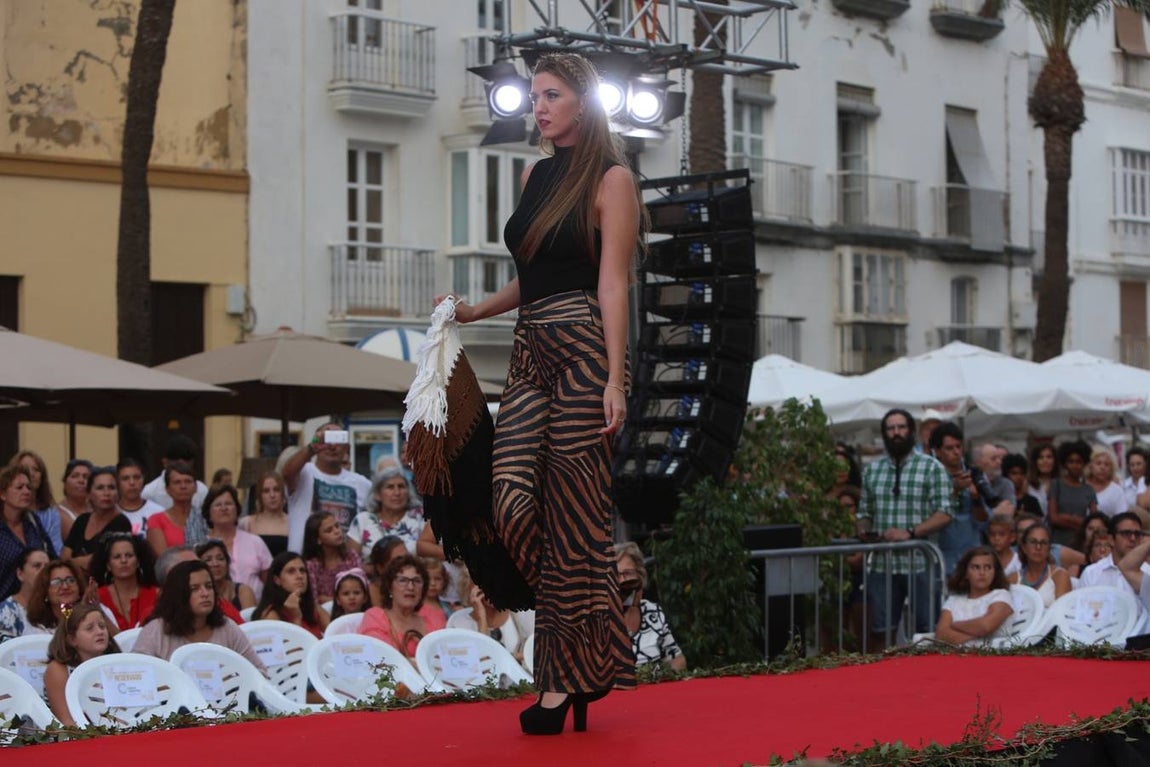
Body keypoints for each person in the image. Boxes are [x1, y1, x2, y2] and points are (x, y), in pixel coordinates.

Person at [431, 52, 640, 735]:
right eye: (535, 96)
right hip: (529, 350)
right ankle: (596, 632)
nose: (538, 106)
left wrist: (617, 376)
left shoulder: (612, 180)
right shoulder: (534, 174)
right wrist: (474, 312)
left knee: (577, 518)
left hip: (583, 347)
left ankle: (560, 682)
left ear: (584, 102)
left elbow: (612, 284)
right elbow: (532, 275)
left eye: (551, 95)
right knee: (511, 498)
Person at [857, 409, 953, 649]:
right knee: (881, 632)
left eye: (901, 427)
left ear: (911, 431)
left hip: (920, 561)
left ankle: (928, 681)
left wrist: (910, 533)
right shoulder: (872, 470)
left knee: (927, 632)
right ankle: (884, 681)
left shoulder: (932, 467)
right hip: (882, 564)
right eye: (890, 429)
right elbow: (864, 513)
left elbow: (944, 513)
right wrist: (864, 530)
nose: (896, 433)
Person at [133, 560, 265, 670]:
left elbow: (260, 672)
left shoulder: (227, 627)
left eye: (208, 586)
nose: (205, 593)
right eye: (194, 589)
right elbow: (138, 678)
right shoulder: (156, 631)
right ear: (178, 595)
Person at [282, 423, 373, 553]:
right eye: (325, 439)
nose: (331, 446)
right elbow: (286, 473)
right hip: (304, 562)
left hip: (346, 564)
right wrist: (312, 447)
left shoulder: (363, 484)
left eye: (337, 439)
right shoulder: (303, 473)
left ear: (346, 447)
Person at [43, 603, 121, 727]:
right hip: (74, 737)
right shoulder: (58, 670)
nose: (99, 632)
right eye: (90, 628)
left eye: (102, 626)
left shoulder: (115, 664)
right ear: (72, 639)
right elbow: (67, 721)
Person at [615, 541, 685, 670]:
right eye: (616, 575)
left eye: (628, 573)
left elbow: (677, 659)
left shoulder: (652, 611)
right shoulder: (595, 618)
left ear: (639, 575)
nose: (622, 581)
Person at [359, 554, 445, 659]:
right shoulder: (375, 616)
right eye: (403, 580)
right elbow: (381, 658)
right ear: (390, 587)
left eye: (417, 581)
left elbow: (444, 658)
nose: (410, 587)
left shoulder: (434, 617)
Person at [929, 423, 986, 576]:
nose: (956, 452)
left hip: (971, 550)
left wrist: (976, 498)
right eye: (949, 448)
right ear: (937, 451)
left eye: (958, 446)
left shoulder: (974, 474)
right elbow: (929, 514)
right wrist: (954, 490)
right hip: (942, 553)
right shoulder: (930, 477)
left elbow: (983, 520)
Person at [201, 484, 271, 601]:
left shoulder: (255, 542)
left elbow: (269, 582)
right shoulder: (201, 546)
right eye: (218, 505)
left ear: (237, 509)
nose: (224, 508)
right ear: (209, 513)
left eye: (228, 504)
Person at [933, 546, 1013, 646]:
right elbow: (941, 635)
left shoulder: (1002, 595)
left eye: (988, 567)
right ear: (966, 573)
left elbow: (986, 626)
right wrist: (979, 632)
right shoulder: (954, 600)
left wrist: (953, 625)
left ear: (995, 572)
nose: (982, 573)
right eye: (976, 567)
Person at [452, 566, 534, 662]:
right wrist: (482, 620)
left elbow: (537, 653)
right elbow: (478, 666)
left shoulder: (523, 612)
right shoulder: (458, 625)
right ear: (469, 588)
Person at [61, 466, 131, 578]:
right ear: (88, 494)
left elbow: (99, 562)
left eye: (111, 488)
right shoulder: (82, 520)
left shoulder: (121, 522)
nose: (106, 493)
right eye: (100, 488)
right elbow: (64, 557)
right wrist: (78, 562)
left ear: (118, 494)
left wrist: (73, 562)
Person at [141, 435, 210, 546]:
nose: (183, 486)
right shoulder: (149, 491)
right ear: (165, 462)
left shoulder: (202, 490)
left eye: (186, 460)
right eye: (177, 482)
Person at [0, 465, 57, 599]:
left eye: (28, 487)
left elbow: (52, 558)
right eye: (19, 487)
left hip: (36, 604)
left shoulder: (32, 521)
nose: (26, 492)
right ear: (3, 494)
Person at [347, 467, 426, 555]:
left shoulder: (421, 517)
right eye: (390, 487)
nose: (397, 493)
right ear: (377, 494)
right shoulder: (362, 520)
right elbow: (351, 562)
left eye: (401, 486)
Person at [90, 532, 158, 630]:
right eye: (117, 557)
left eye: (129, 555)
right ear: (108, 565)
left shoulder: (157, 594)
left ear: (138, 562)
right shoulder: (97, 596)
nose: (123, 561)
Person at [1079, 512, 1150, 604]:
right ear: (1111, 540)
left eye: (1137, 534)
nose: (1133, 538)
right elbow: (1082, 611)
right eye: (1126, 533)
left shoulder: (1147, 572)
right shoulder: (1091, 573)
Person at [253, 551, 329, 638]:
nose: (300, 576)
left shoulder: (313, 607)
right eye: (291, 571)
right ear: (277, 580)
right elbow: (290, 649)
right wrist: (296, 618)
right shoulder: (271, 615)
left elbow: (334, 634)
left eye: (302, 570)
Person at [9, 450, 62, 554]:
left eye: (36, 469)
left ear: (42, 477)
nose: (30, 473)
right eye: (24, 469)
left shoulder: (51, 514)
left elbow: (56, 551)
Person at [302, 511, 361, 603]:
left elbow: (361, 592)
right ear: (318, 539)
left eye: (337, 526)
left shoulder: (351, 556)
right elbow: (315, 601)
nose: (337, 531)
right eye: (329, 530)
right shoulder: (311, 565)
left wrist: (328, 599)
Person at [1047, 440, 1097, 546]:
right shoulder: (1056, 484)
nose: (1075, 465)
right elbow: (1053, 518)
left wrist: (1066, 517)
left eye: (1079, 462)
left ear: (1084, 463)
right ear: (1065, 463)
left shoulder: (1089, 489)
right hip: (1058, 542)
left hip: (1081, 543)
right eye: (1071, 461)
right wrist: (1078, 521)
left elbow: (1094, 520)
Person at [1011, 522, 1071, 608]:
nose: (1038, 547)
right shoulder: (1012, 579)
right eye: (1033, 542)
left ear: (1049, 548)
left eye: (1043, 543)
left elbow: (1061, 613)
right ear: (1024, 548)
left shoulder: (1060, 576)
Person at [147, 462, 199, 559]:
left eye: (188, 481)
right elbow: (164, 559)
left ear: (196, 487)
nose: (183, 486)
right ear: (167, 489)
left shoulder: (205, 519)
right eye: (177, 482)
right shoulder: (157, 520)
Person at [194, 539, 250, 624]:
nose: (215, 564)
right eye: (208, 560)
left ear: (227, 563)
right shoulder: (196, 595)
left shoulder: (243, 591)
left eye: (220, 558)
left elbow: (251, 626)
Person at [0, 548, 49, 639]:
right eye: (37, 566)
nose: (44, 571)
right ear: (20, 574)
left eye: (47, 567)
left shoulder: (56, 604)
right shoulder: (6, 611)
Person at [239, 471, 290, 558]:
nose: (272, 495)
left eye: (276, 490)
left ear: (283, 494)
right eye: (266, 491)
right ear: (260, 496)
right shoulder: (246, 523)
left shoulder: (294, 523)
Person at [115, 458, 164, 537]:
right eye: (125, 478)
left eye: (137, 477)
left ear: (143, 479)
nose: (132, 483)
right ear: (117, 482)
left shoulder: (158, 512)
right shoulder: (111, 513)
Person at [54, 459, 93, 544]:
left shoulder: (98, 509)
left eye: (86, 477)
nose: (81, 481)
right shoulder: (56, 513)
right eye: (75, 476)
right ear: (65, 482)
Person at [366, 535, 407, 607]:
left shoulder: (415, 585)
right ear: (380, 568)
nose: (405, 564)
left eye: (406, 558)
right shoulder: (371, 593)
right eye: (398, 561)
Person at [1086, 445, 1126, 517]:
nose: (1102, 467)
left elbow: (1122, 518)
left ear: (1111, 469)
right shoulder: (1081, 486)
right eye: (1098, 463)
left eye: (1107, 464)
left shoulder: (1117, 491)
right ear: (1091, 466)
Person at [1002, 454, 1044, 518]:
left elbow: (1039, 523)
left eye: (1021, 473)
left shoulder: (1032, 501)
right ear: (1006, 475)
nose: (1019, 477)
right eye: (1014, 473)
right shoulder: (1000, 500)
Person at [1026, 444, 1057, 517]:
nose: (1045, 461)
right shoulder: (1027, 484)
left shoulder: (1062, 483)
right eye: (1040, 457)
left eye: (1049, 457)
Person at [986, 513, 1019, 579]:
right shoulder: (984, 561)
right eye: (992, 534)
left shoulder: (1019, 562)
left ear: (1012, 537)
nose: (996, 538)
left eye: (1001, 534)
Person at [1123, 445, 1150, 511]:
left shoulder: (1147, 483)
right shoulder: (1123, 485)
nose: (1136, 468)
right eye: (1132, 465)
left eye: (1139, 464)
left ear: (1145, 464)